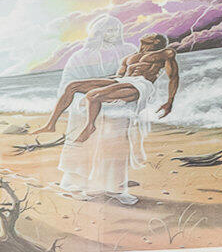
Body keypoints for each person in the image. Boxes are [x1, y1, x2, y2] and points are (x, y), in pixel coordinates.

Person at [39, 17, 176, 204]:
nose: (113, 34)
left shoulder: (133, 50)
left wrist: (168, 101)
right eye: (108, 30)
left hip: (122, 104)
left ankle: (115, 189)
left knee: (115, 146)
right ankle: (74, 185)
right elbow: (70, 84)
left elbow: (169, 76)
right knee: (78, 99)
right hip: (92, 103)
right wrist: (96, 88)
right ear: (97, 32)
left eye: (116, 30)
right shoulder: (80, 56)